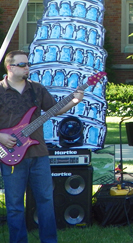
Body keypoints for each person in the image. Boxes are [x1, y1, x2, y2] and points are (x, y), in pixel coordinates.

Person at [0, 50, 84, 243]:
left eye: (28, 64)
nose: (27, 67)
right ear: (9, 67)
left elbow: (55, 109)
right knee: (14, 205)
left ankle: (49, 240)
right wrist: (1, 137)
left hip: (39, 154)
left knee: (46, 201)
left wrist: (75, 100)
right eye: (22, 65)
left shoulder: (37, 89)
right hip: (10, 155)